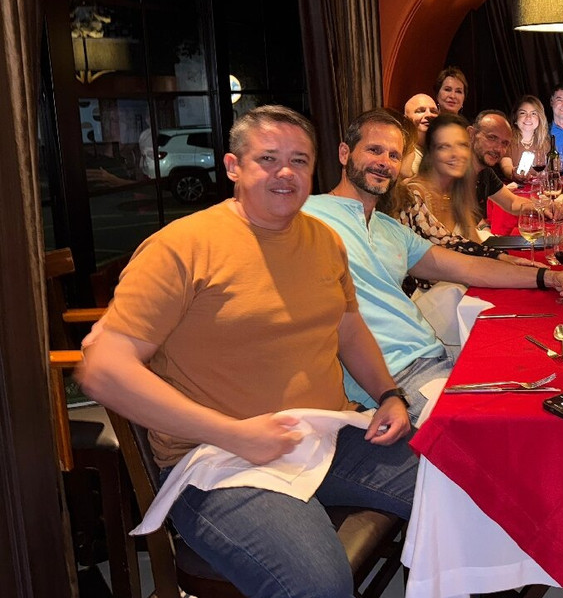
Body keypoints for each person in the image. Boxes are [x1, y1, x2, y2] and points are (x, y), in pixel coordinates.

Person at [79, 105, 417, 597]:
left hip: (326, 433)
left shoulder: (324, 240)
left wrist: (389, 394)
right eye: (268, 159)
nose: (286, 173)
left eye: (299, 161)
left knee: (461, 487)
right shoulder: (182, 246)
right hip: (219, 459)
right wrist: (234, 433)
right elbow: (103, 370)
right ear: (233, 166)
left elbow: (349, 328)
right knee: (319, 585)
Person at [303, 109, 563, 421]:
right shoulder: (308, 216)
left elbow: (469, 267)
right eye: (374, 150)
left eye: (393, 155)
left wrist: (548, 277)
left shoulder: (390, 229)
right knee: (500, 427)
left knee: (543, 388)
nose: (384, 162)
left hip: (435, 355)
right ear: (345, 153)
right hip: (391, 379)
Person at [399, 114, 541, 289]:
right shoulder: (413, 195)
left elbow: (473, 244)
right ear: (431, 151)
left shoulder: (460, 189)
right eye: (445, 146)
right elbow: (446, 257)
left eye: (462, 146)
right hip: (427, 296)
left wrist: (504, 259)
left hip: (461, 286)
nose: (456, 154)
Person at [470, 110, 562, 226]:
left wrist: (544, 207)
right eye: (492, 138)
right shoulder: (455, 170)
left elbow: (512, 202)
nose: (498, 149)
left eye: (504, 143)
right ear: (471, 134)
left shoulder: (485, 173)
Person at [500, 95, 551, 182]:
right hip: (515, 188)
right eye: (523, 113)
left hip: (539, 188)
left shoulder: (545, 143)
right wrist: (514, 173)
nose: (528, 117)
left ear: (540, 119)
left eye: (534, 113)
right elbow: (505, 166)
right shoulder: (507, 141)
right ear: (515, 117)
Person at [400, 93, 439, 178]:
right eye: (420, 111)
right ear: (406, 119)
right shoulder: (400, 149)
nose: (429, 115)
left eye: (433, 111)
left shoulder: (443, 148)